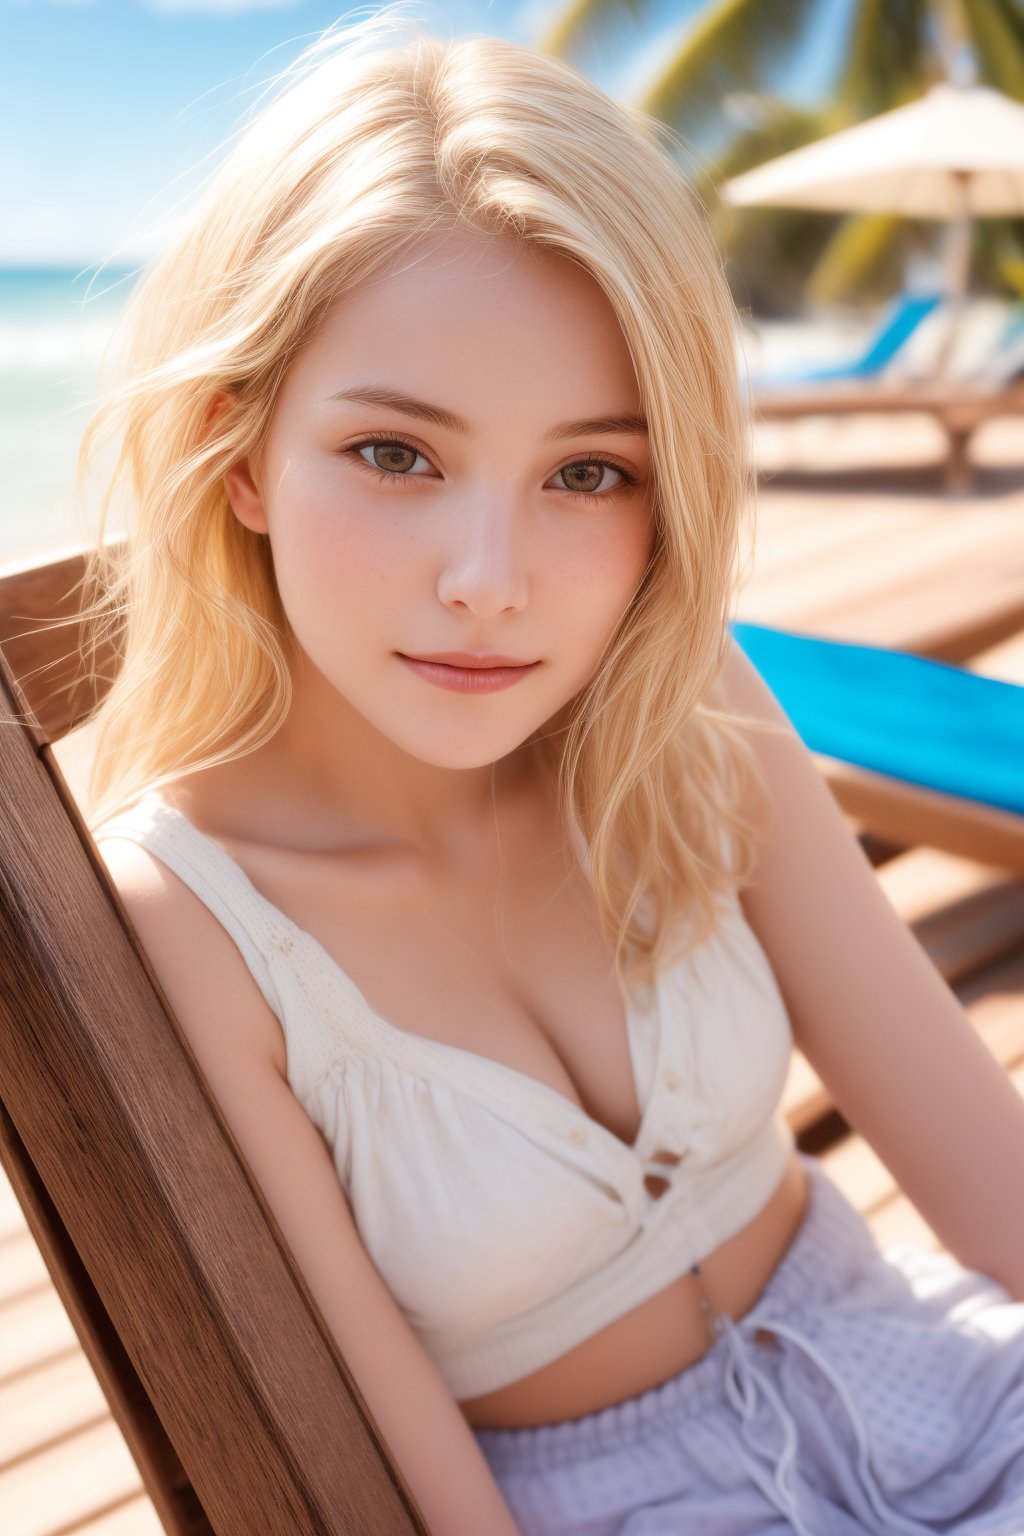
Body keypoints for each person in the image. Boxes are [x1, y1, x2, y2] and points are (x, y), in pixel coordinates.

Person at [64, 10, 1024, 1534]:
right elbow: (399, 1490)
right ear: (237, 450)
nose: (490, 581)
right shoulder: (199, 925)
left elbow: (993, 1184)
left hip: (948, 1392)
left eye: (589, 473)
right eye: (397, 454)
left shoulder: (687, 703)